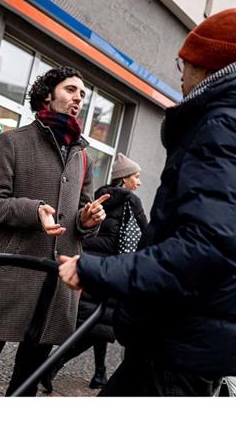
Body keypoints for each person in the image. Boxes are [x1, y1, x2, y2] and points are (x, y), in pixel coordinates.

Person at [57, 7, 236, 396]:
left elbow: (208, 248)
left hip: (179, 348)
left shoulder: (225, 126)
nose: (179, 73)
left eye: (183, 62)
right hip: (194, 343)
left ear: (205, 63)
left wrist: (99, 271)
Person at [0, 66, 109, 397]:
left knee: (27, 380)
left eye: (82, 94)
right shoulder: (12, 141)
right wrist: (33, 209)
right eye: (71, 90)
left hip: (57, 284)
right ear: (47, 95)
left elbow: (84, 216)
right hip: (11, 274)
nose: (78, 99)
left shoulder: (82, 156)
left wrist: (89, 219)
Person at [40, 153, 148, 393]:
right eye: (136, 177)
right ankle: (49, 367)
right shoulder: (132, 203)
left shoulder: (101, 196)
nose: (139, 182)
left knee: (97, 325)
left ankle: (100, 374)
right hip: (109, 273)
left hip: (90, 267)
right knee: (93, 328)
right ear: (124, 179)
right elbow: (145, 238)